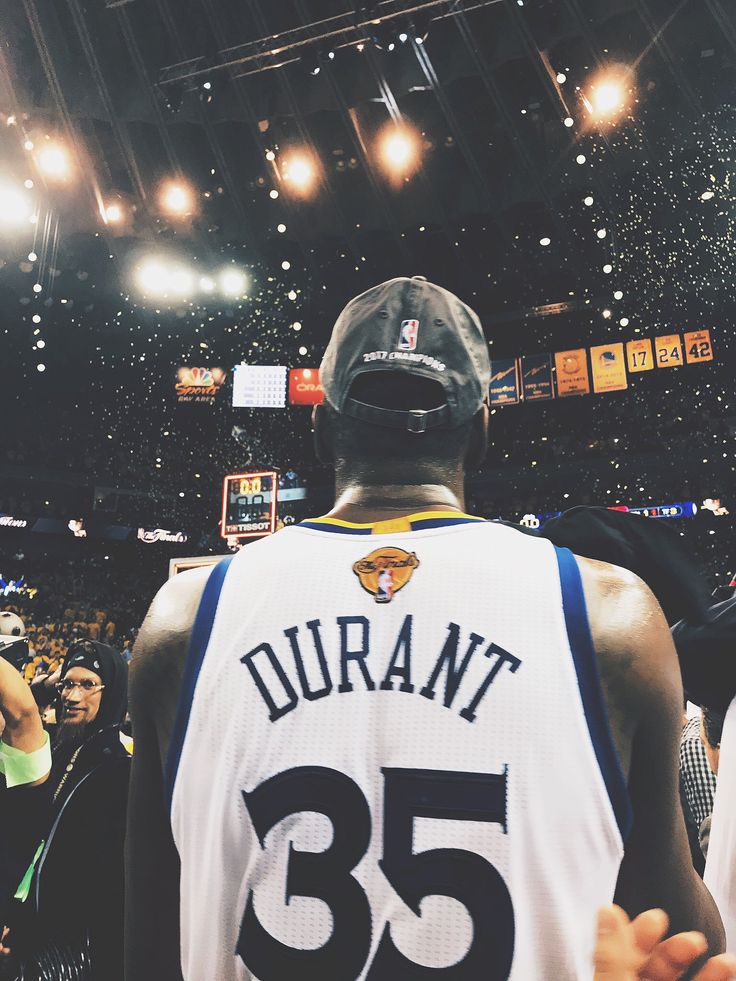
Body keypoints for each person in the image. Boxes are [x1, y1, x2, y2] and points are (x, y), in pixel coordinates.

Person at [126, 277, 724, 981]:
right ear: (481, 433)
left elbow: (146, 947)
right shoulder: (612, 619)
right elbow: (682, 937)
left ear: (322, 426)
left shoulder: (183, 618)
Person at [1, 639, 130, 980]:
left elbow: (97, 877)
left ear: (113, 691)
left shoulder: (121, 768)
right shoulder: (58, 746)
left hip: (71, 949)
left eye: (88, 685)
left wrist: (29, 926)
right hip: (21, 926)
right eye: (67, 684)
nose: (72, 697)